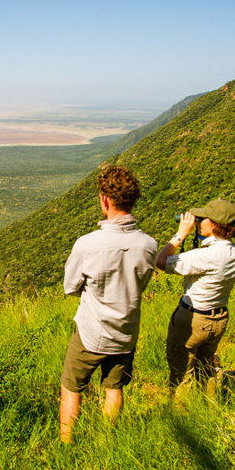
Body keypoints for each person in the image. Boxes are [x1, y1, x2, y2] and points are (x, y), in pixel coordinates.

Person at [59, 165, 157, 443]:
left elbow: (70, 287)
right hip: (126, 332)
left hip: (91, 332)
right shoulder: (149, 245)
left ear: (105, 200)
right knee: (114, 388)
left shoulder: (87, 244)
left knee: (71, 387)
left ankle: (67, 444)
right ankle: (108, 440)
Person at [156, 199, 235, 396]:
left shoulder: (206, 256)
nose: (199, 222)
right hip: (219, 318)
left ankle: (182, 409)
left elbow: (160, 261)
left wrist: (180, 234)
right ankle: (209, 404)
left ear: (214, 225)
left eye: (203, 219)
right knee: (206, 369)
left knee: (181, 372)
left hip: (193, 319)